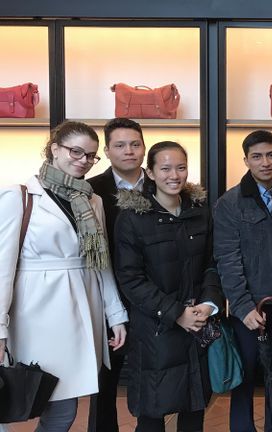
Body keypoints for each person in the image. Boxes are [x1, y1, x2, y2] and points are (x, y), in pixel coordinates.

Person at [0, 121, 128, 431]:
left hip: (81, 311)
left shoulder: (93, 200)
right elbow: (2, 269)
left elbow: (101, 262)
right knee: (17, 395)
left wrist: (116, 314)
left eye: (91, 155)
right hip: (34, 314)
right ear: (55, 149)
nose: (83, 160)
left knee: (64, 408)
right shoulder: (19, 195)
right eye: (76, 151)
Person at [114, 141, 224, 432]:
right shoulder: (133, 219)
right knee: (152, 413)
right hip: (155, 330)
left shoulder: (199, 212)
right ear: (149, 172)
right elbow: (130, 278)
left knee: (194, 408)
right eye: (164, 168)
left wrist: (208, 304)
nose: (174, 175)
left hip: (198, 326)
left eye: (181, 167)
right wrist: (176, 313)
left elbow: (212, 264)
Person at [214, 130, 272, 432]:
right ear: (246, 160)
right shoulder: (230, 203)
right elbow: (227, 259)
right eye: (257, 156)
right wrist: (241, 306)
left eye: (271, 155)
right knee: (245, 378)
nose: (265, 162)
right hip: (248, 308)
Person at [87, 117, 146, 432]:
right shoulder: (90, 189)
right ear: (107, 151)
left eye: (135, 144)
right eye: (120, 145)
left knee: (152, 374)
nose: (129, 151)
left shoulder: (160, 184)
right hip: (107, 294)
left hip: (152, 295)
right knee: (105, 378)